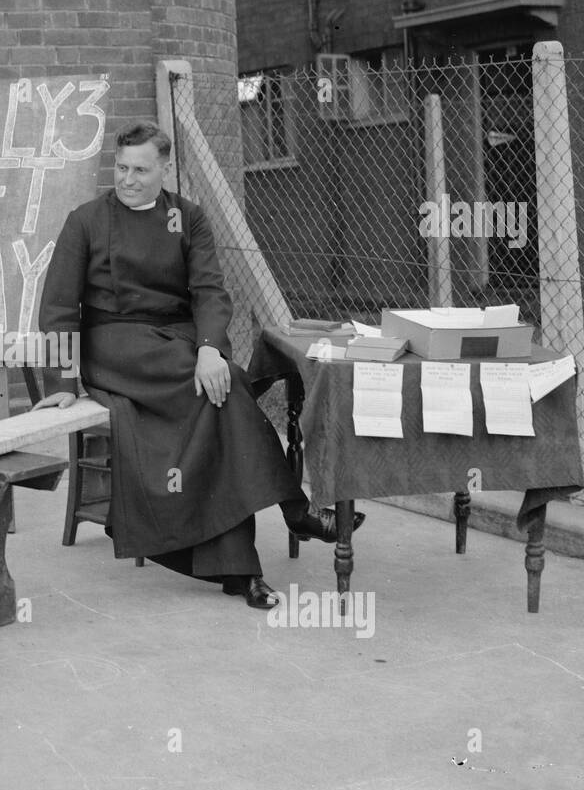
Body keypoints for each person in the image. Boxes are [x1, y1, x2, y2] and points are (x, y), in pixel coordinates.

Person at [34, 121, 363, 608]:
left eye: (141, 170)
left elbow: (209, 289)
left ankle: (241, 571)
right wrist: (63, 380)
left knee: (221, 393)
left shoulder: (188, 217)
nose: (127, 179)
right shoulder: (85, 220)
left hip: (179, 340)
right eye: (122, 168)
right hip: (114, 344)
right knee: (221, 389)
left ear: (164, 169)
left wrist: (210, 346)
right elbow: (59, 307)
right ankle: (297, 508)